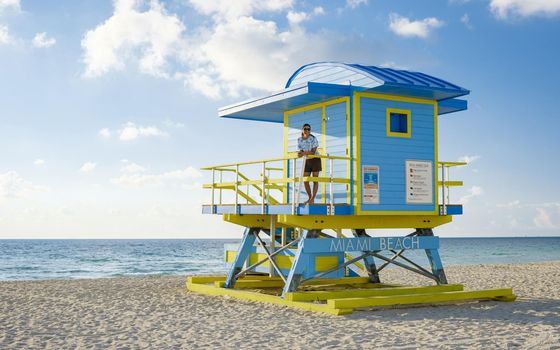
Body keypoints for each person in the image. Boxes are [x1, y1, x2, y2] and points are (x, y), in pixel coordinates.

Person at [297, 123, 321, 204]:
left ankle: (312, 198)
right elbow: (301, 151)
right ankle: (310, 197)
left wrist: (304, 153)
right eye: (305, 129)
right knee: (305, 180)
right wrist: (300, 153)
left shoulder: (313, 138)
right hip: (306, 160)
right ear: (302, 130)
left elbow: (313, 152)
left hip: (315, 159)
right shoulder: (299, 139)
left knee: (315, 180)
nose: (307, 130)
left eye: (308, 129)